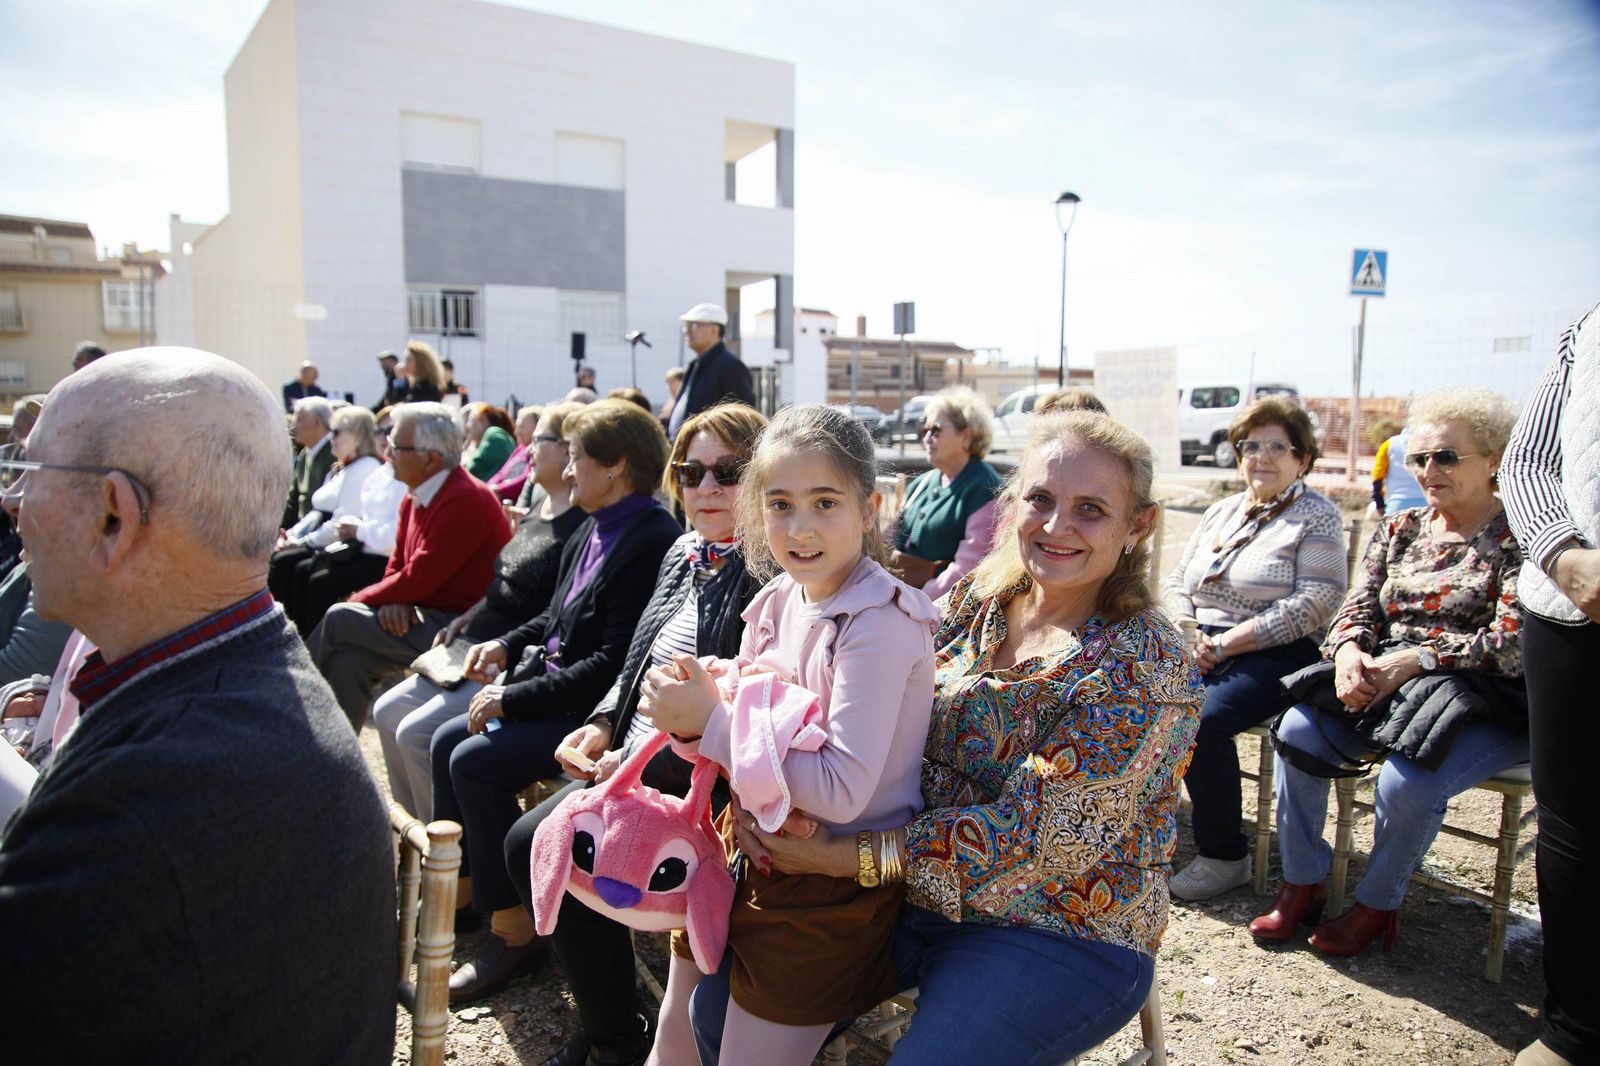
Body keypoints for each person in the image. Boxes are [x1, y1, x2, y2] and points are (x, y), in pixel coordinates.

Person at [696, 409, 1203, 1065]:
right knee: (716, 1011)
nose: (1056, 525)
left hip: (1056, 925)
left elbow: (1040, 842)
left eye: (1091, 510)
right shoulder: (976, 603)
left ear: (1138, 525)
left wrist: (844, 857)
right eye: (1040, 499)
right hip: (902, 896)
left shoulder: (1146, 666)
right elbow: (859, 718)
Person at [0, 347, 394, 1062]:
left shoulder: (144, 797)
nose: (12, 501)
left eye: (27, 471)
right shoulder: (241, 668)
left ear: (113, 515)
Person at [641, 404, 939, 1066]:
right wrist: (698, 711)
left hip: (832, 892)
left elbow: (841, 791)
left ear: (869, 509)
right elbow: (747, 725)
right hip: (747, 849)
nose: (800, 528)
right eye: (779, 505)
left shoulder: (879, 622)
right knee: (675, 1036)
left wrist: (708, 722)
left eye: (824, 503)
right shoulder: (777, 601)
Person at [501, 404, 768, 1052]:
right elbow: (635, 660)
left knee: (546, 841)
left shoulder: (767, 572)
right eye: (692, 472)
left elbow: (740, 713)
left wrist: (635, 757)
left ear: (762, 476)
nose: (706, 487)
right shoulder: (684, 551)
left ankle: (616, 1038)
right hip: (635, 756)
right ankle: (616, 1025)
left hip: (700, 776)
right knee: (528, 843)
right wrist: (600, 724)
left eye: (728, 471)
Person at [1250, 387, 1526, 958]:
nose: (1429, 470)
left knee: (1407, 783)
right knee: (1297, 731)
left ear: (1494, 459)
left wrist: (1419, 659)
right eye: (1419, 458)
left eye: (1446, 456)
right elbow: (1356, 607)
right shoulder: (1402, 527)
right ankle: (1304, 882)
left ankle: (1377, 905)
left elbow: (1514, 644)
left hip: (1484, 698)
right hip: (1392, 684)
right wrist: (1350, 652)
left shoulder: (1519, 537)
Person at [430, 399, 681, 1001]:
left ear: (615, 467)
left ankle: (514, 931)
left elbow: (612, 664)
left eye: (575, 459)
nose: (567, 472)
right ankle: (464, 898)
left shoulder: (649, 539)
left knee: (473, 761)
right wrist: (504, 644)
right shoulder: (595, 524)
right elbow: (554, 616)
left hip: (590, 713)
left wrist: (512, 699)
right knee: (445, 742)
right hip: (558, 693)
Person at [1162, 396, 1347, 900]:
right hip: (1201, 642)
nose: (1261, 457)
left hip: (1275, 651)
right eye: (1250, 446)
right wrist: (1189, 631)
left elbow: (1317, 601)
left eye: (1277, 447)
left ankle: (1225, 856)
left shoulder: (1317, 515)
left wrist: (1224, 645)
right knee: (1129, 694)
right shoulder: (1221, 511)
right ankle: (1129, 824)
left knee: (1201, 719)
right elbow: (1178, 581)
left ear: (1302, 459)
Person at [373, 401, 588, 821]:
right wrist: (467, 616)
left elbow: (553, 614)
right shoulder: (539, 509)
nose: (527, 449)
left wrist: (502, 646)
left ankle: (445, 845)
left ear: (567, 450)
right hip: (474, 643)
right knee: (387, 711)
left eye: (538, 440)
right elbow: (502, 584)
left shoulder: (580, 524)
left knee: (416, 733)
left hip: (508, 660)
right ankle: (418, 832)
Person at [1501, 303, 1600, 1066]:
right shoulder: (1588, 327)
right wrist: (1566, 557)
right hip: (1574, 609)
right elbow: (1528, 463)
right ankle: (1577, 1024)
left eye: (1445, 456)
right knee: (1574, 826)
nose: (1429, 471)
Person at [307, 402, 511, 729]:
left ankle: (293, 714)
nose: (387, 452)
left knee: (340, 616)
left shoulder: (465, 498)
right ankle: (330, 749)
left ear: (431, 459)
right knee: (350, 662)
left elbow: (419, 578)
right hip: (430, 616)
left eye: (397, 446)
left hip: (465, 629)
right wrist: (394, 599)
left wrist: (363, 600)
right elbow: (399, 564)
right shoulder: (416, 493)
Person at [267, 405, 388, 633]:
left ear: (357, 435)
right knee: (284, 562)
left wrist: (301, 543)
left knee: (291, 567)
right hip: (322, 538)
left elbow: (340, 523)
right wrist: (291, 536)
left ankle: (300, 636)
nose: (331, 437)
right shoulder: (342, 468)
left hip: (347, 545)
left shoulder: (365, 468)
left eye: (337, 432)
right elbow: (315, 514)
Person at [888, 386, 1003, 597]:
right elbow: (890, 538)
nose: (927, 438)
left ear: (966, 436)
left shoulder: (985, 487)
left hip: (935, 607)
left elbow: (969, 569)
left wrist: (917, 601)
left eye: (936, 430)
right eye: (924, 430)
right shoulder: (922, 482)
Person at [666, 304, 756, 441]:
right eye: (686, 325)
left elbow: (743, 420)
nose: (686, 331)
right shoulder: (694, 365)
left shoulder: (730, 367)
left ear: (714, 330)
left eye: (694, 325)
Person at [281, 395, 335, 529]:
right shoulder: (305, 454)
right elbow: (293, 501)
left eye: (299, 420)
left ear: (317, 421)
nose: (293, 426)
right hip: (301, 530)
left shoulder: (335, 453)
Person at [485, 405, 542, 504]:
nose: (516, 432)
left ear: (537, 428)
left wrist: (499, 490)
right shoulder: (520, 448)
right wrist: (489, 487)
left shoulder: (538, 453)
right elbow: (501, 473)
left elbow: (526, 479)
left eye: (521, 427)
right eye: (517, 427)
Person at [1371, 423, 1426, 516]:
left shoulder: (1388, 444)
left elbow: (1377, 476)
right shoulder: (1428, 443)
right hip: (1426, 503)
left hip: (1397, 505)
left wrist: (1379, 504)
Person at [463, 402, 516, 481]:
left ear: (483, 420)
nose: (467, 425)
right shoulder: (500, 437)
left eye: (470, 420)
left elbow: (472, 470)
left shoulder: (494, 436)